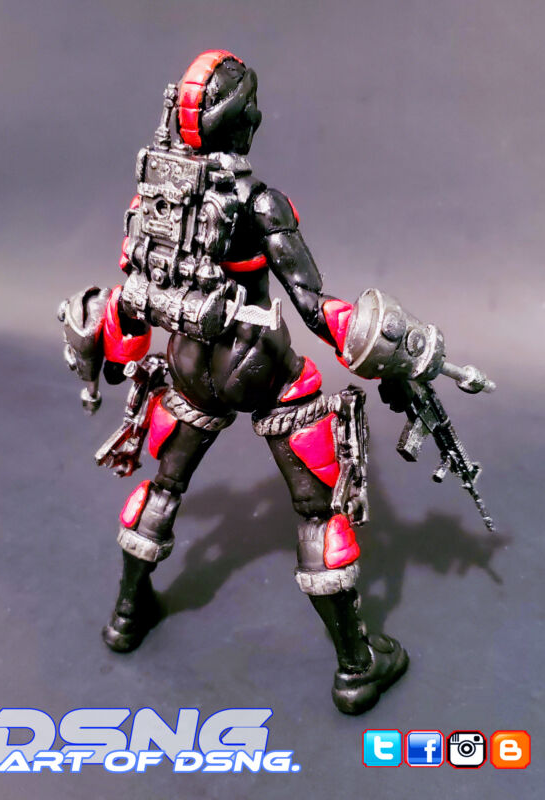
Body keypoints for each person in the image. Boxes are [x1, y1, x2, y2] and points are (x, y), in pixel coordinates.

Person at [60, 50, 458, 714]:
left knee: (163, 487)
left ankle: (127, 616)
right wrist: (401, 346)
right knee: (317, 512)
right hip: (259, 366)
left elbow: (134, 295)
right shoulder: (260, 201)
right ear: (244, 121)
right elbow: (314, 306)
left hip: (187, 366)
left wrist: (112, 349)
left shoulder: (153, 193)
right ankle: (357, 667)